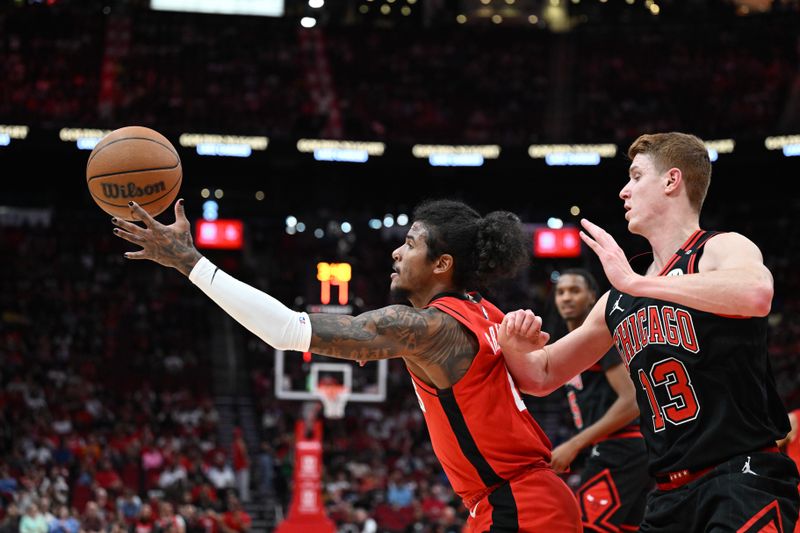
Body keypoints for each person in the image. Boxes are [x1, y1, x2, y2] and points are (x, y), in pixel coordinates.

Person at [111, 198, 582, 531]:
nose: (397, 251)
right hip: (523, 500)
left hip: (520, 506)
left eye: (412, 244)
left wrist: (191, 262)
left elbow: (286, 330)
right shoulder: (483, 309)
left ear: (442, 265)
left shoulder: (425, 327)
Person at [498, 132, 800, 531]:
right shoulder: (618, 299)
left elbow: (757, 293)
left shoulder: (719, 248)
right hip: (666, 496)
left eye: (636, 177)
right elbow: (542, 374)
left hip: (741, 477)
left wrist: (638, 283)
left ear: (672, 181)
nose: (624, 191)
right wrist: (514, 343)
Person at [550, 268, 652, 532]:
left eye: (575, 290)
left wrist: (574, 443)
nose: (566, 298)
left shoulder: (600, 338)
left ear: (592, 297)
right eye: (561, 292)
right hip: (627, 451)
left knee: (585, 527)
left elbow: (632, 402)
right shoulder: (571, 342)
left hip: (621, 446)